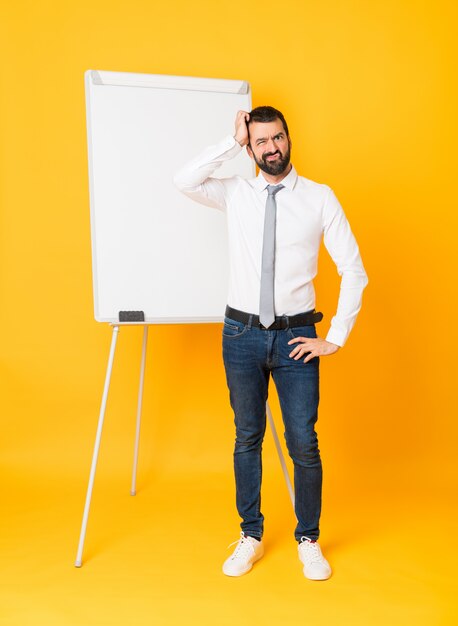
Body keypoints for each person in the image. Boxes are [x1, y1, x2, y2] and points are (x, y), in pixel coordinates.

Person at [173, 106, 368, 580]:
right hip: (240, 334)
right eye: (261, 141)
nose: (272, 148)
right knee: (247, 436)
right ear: (251, 146)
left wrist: (335, 338)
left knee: (304, 441)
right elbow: (184, 179)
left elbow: (354, 271)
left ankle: (309, 539)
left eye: (277, 138)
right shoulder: (236, 193)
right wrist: (231, 140)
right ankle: (251, 535)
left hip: (297, 336)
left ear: (289, 138)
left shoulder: (320, 198)